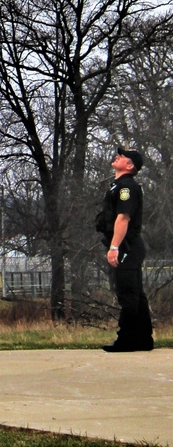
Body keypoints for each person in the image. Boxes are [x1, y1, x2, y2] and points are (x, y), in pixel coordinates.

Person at [96, 146, 153, 353]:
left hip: (126, 246)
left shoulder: (126, 188)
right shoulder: (118, 186)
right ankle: (144, 339)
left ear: (129, 166)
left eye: (123, 156)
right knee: (136, 293)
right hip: (127, 246)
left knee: (128, 293)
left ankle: (127, 340)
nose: (118, 156)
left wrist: (114, 247)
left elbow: (123, 218)